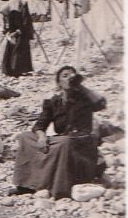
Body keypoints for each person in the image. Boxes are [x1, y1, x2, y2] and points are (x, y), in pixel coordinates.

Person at [13, 65, 108, 198]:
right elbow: (40, 125)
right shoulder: (53, 102)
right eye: (65, 75)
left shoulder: (84, 98)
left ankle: (57, 188)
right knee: (25, 137)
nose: (69, 78)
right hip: (64, 140)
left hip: (82, 142)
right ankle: (27, 185)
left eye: (72, 75)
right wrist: (41, 137)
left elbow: (101, 104)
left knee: (64, 142)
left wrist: (80, 86)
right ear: (59, 83)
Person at [0, 0, 36, 77]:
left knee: (19, 52)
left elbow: (22, 25)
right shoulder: (8, 15)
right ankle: (10, 70)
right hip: (14, 35)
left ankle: (18, 70)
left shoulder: (16, 14)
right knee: (11, 51)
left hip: (21, 35)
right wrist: (7, 32)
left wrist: (15, 33)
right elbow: (8, 26)